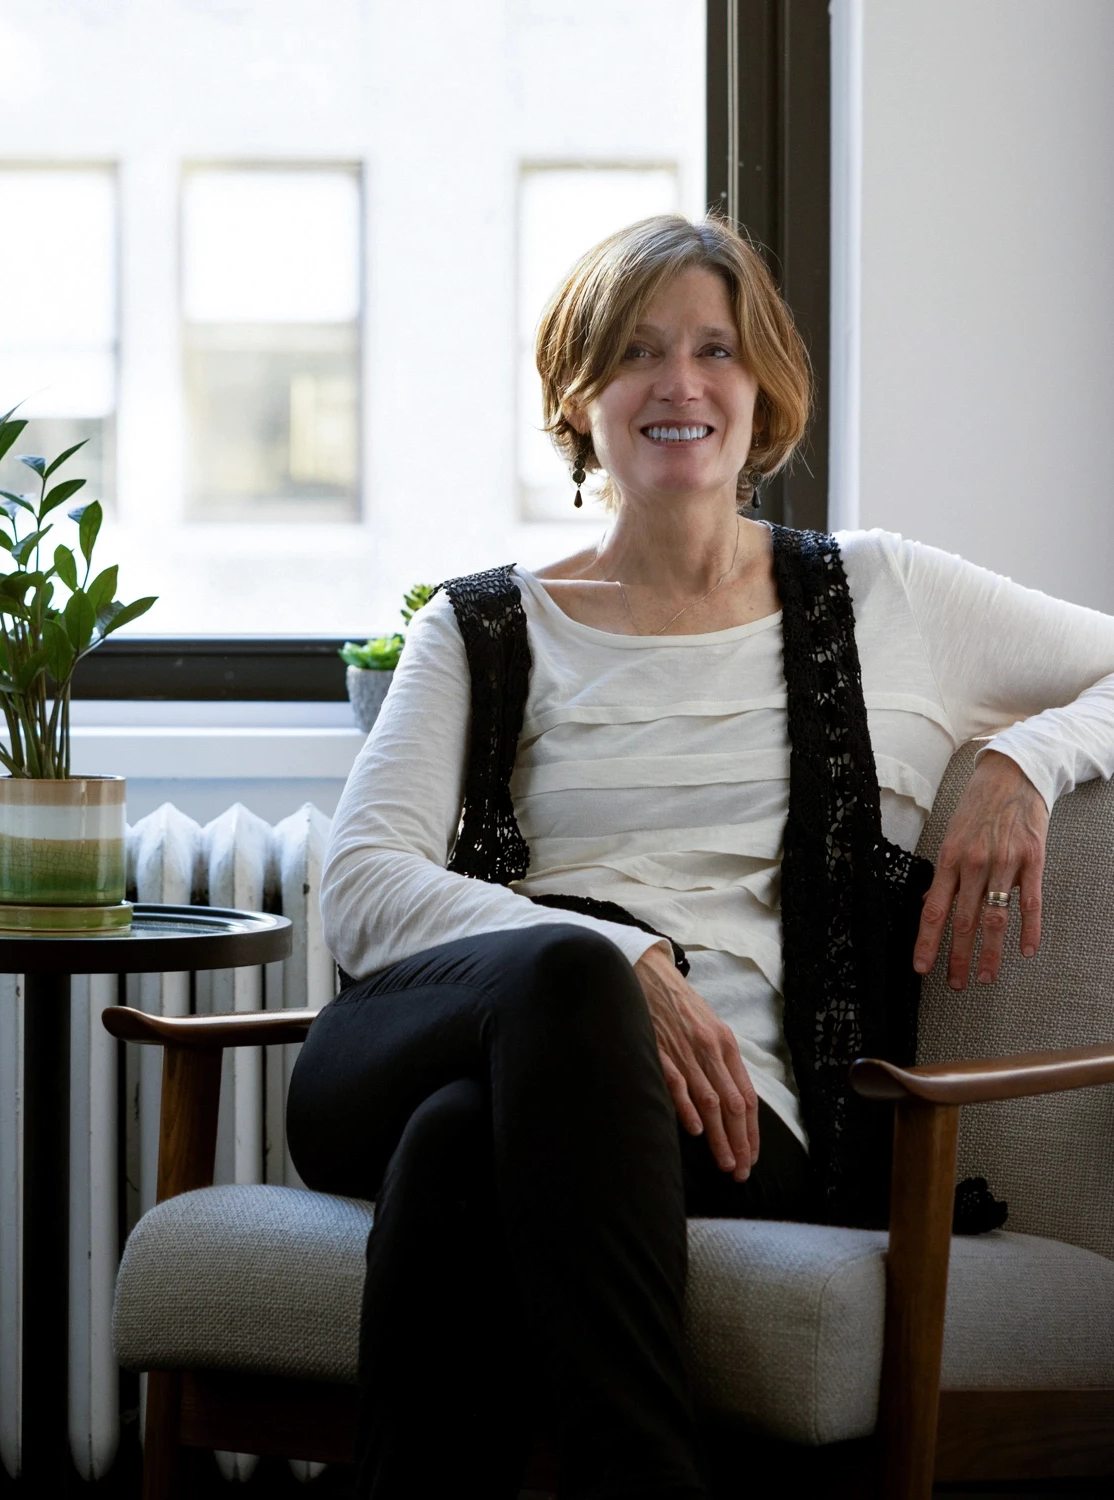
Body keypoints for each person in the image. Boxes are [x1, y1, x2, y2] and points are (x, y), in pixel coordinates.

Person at [286, 214, 1114, 1500]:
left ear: (762, 387)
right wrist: (622, 960)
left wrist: (1026, 757)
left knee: (453, 1149)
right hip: (451, 1044)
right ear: (579, 396)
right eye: (635, 351)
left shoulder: (887, 595)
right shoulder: (482, 626)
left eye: (714, 349)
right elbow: (359, 885)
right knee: (566, 975)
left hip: (739, 1115)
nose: (678, 383)